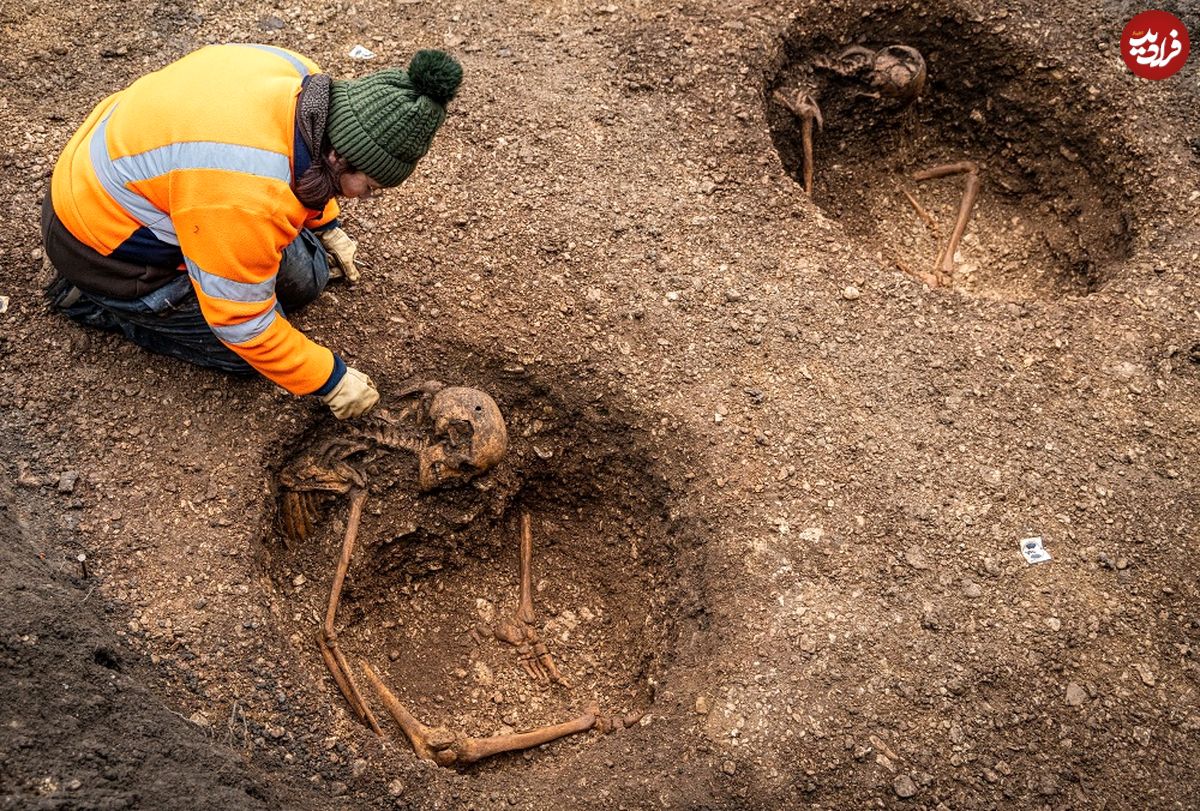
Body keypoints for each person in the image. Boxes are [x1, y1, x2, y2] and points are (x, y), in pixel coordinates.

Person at [41, 44, 463, 419]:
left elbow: (299, 161)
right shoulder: (243, 194)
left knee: (307, 280)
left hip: (142, 179)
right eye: (369, 187)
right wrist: (328, 378)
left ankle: (203, 266)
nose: (367, 199)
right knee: (246, 355)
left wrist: (327, 223)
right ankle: (93, 303)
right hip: (103, 246)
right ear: (338, 156)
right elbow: (241, 323)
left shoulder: (302, 80)